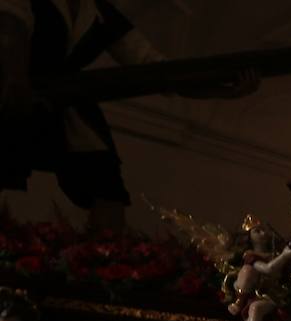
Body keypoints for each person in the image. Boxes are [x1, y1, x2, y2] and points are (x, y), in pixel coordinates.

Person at [0, 0, 255, 227]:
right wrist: (15, 79)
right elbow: (11, 30)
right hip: (13, 95)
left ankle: (102, 263)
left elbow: (152, 68)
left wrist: (220, 89)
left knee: (107, 187)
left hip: (70, 100)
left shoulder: (98, 11)